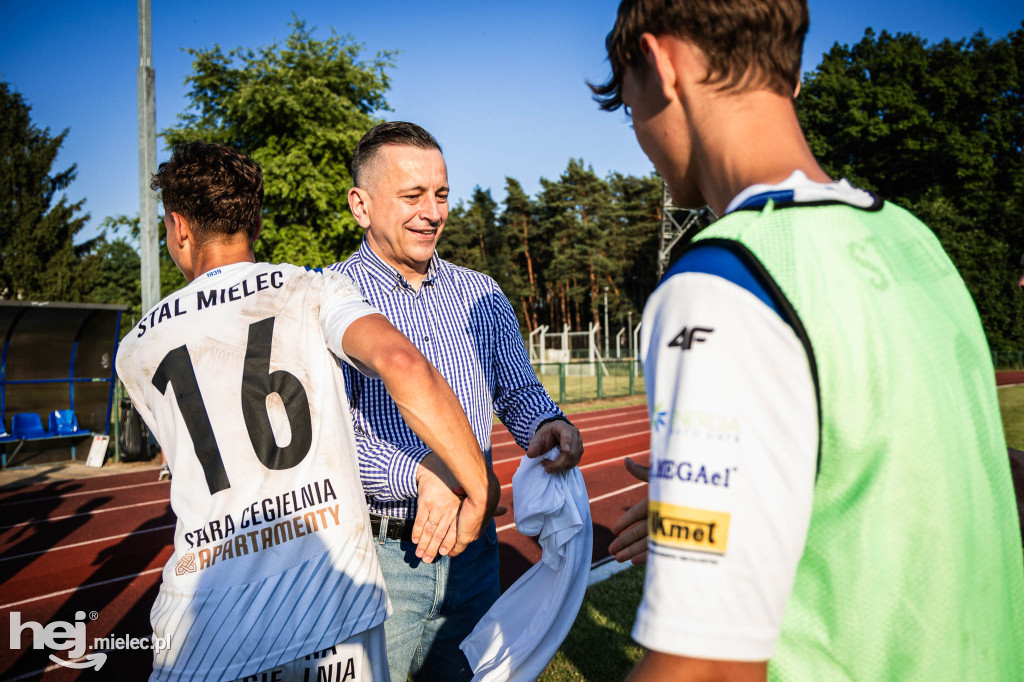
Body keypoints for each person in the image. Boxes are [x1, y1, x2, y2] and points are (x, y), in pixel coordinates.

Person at [592, 1, 1024, 679]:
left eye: (628, 100)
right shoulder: (915, 243)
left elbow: (704, 669)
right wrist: (751, 493)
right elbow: (975, 481)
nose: (640, 134)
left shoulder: (721, 281)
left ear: (662, 62)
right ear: (788, 75)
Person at [116, 141, 496, 681]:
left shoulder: (135, 348)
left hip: (206, 610)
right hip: (329, 600)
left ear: (179, 228)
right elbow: (403, 364)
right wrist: (476, 482)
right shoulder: (312, 289)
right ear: (258, 221)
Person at [328, 121, 584, 682]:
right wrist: (421, 473)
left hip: (474, 557)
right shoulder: (325, 298)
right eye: (412, 195)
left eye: (441, 194)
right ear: (361, 205)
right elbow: (330, 436)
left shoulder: (480, 292)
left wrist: (549, 424)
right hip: (377, 557)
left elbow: (517, 391)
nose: (432, 211)